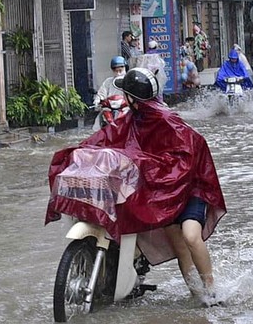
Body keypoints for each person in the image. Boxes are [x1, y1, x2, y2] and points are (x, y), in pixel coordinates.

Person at [46, 67, 227, 307]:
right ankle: (197, 297)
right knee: (180, 246)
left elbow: (190, 153)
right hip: (164, 193)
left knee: (191, 236)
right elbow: (106, 139)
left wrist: (149, 166)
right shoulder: (134, 119)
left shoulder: (167, 119)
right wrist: (81, 153)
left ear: (133, 99)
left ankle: (212, 292)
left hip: (190, 186)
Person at [92, 56, 127, 130]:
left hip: (126, 107)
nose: (118, 73)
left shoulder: (129, 80)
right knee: (99, 122)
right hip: (110, 107)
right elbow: (101, 93)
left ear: (125, 68)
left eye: (120, 70)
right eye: (116, 71)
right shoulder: (108, 81)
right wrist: (97, 100)